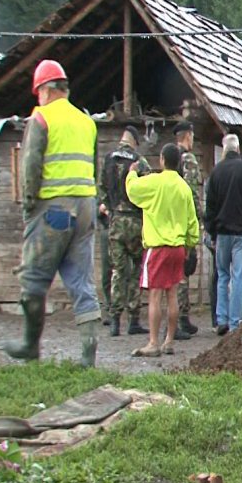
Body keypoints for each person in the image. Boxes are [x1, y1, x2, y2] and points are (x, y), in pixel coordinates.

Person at [3, 60, 101, 367]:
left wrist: (30, 206)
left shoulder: (42, 117)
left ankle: (30, 346)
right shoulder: (87, 121)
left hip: (52, 211)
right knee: (82, 282)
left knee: (33, 278)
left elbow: (30, 166)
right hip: (85, 208)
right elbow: (93, 166)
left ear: (45, 90)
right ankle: (88, 357)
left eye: (38, 93)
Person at [126, 143, 200, 356]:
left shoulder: (154, 182)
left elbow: (132, 191)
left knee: (155, 296)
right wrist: (189, 245)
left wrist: (131, 173)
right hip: (177, 247)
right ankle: (169, 341)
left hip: (157, 246)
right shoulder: (184, 187)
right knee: (173, 294)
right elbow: (192, 222)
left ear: (162, 160)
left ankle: (153, 342)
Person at [205, 134, 242, 335]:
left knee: (222, 275)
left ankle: (221, 319)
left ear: (224, 149)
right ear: (238, 149)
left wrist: (212, 230)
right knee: (238, 276)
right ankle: (235, 322)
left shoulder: (216, 172)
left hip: (222, 232)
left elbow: (209, 206)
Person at [98, 125, 149, 337]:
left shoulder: (108, 159)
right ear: (134, 141)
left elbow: (101, 188)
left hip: (115, 221)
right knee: (136, 270)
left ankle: (115, 321)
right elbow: (146, 189)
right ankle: (134, 320)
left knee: (118, 271)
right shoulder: (139, 161)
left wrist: (108, 208)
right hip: (135, 222)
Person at [173, 120, 203, 339]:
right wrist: (199, 217)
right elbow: (192, 193)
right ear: (188, 136)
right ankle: (181, 319)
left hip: (170, 220)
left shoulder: (170, 158)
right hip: (185, 221)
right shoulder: (188, 160)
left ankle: (180, 317)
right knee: (183, 270)